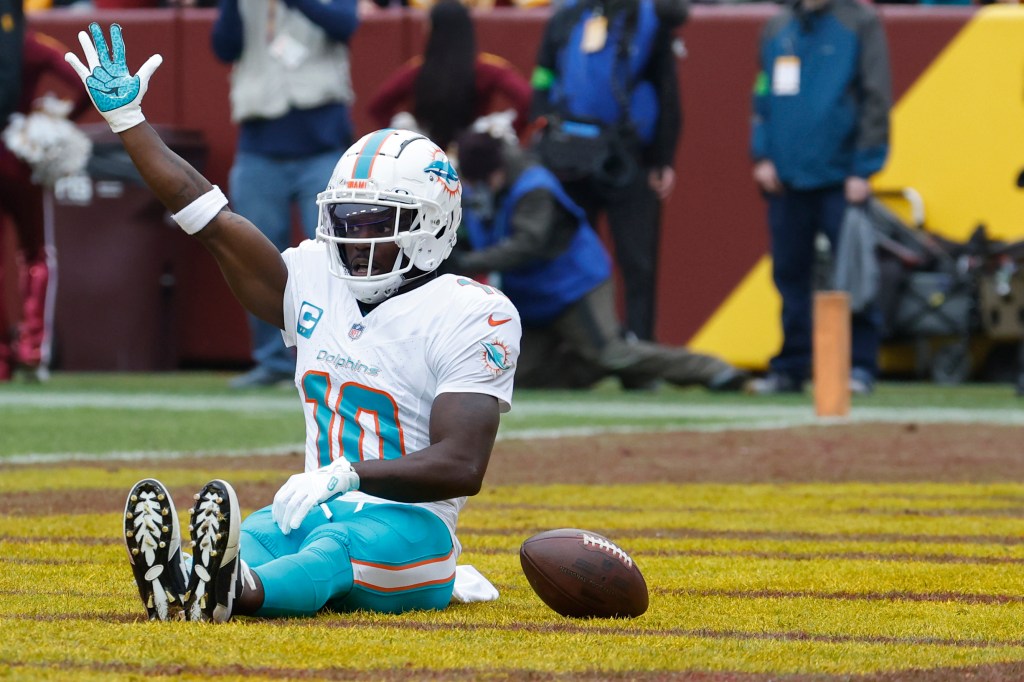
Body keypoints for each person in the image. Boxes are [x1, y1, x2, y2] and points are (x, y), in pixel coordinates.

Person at [67, 23, 520, 621]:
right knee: (258, 534)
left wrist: (345, 475)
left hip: (412, 530)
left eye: (374, 223)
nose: (354, 239)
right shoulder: (313, 277)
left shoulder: (472, 312)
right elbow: (210, 218)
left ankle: (234, 593)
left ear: (431, 224)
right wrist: (129, 122)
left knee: (334, 549)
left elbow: (461, 464)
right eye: (346, 221)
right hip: (314, 509)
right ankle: (187, 579)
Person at [451, 129, 746, 391]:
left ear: (496, 170)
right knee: (514, 376)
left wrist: (466, 263)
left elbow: (526, 245)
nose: (477, 186)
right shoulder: (484, 187)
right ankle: (596, 362)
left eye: (481, 180)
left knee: (611, 353)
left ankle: (712, 370)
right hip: (534, 296)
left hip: (575, 284)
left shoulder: (534, 186)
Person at [211, 0, 359, 388]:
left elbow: (345, 25)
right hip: (259, 144)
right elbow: (223, 47)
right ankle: (272, 360)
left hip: (322, 142)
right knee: (254, 254)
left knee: (339, 253)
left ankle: (347, 354)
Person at [747, 0, 891, 395]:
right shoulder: (777, 26)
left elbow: (876, 96)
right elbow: (762, 92)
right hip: (787, 175)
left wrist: (864, 166)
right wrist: (761, 154)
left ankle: (859, 364)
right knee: (789, 274)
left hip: (840, 175)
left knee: (853, 272)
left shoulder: (860, 22)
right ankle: (792, 365)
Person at [530, 0, 684, 344]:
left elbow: (666, 86)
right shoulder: (566, 16)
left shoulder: (647, 18)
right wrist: (541, 123)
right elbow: (543, 74)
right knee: (570, 257)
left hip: (628, 156)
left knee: (637, 261)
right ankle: (577, 346)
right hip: (570, 157)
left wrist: (662, 158)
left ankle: (640, 345)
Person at [0, 28, 90, 381]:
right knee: (36, 252)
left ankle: (2, 358)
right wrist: (59, 118)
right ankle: (32, 347)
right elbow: (83, 82)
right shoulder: (30, 44)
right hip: (19, 157)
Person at [366, 0, 532, 153]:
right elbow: (527, 99)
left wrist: (402, 139)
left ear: (432, 29)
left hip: (427, 157)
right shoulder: (487, 68)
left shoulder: (417, 70)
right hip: (474, 159)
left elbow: (378, 106)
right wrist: (506, 132)